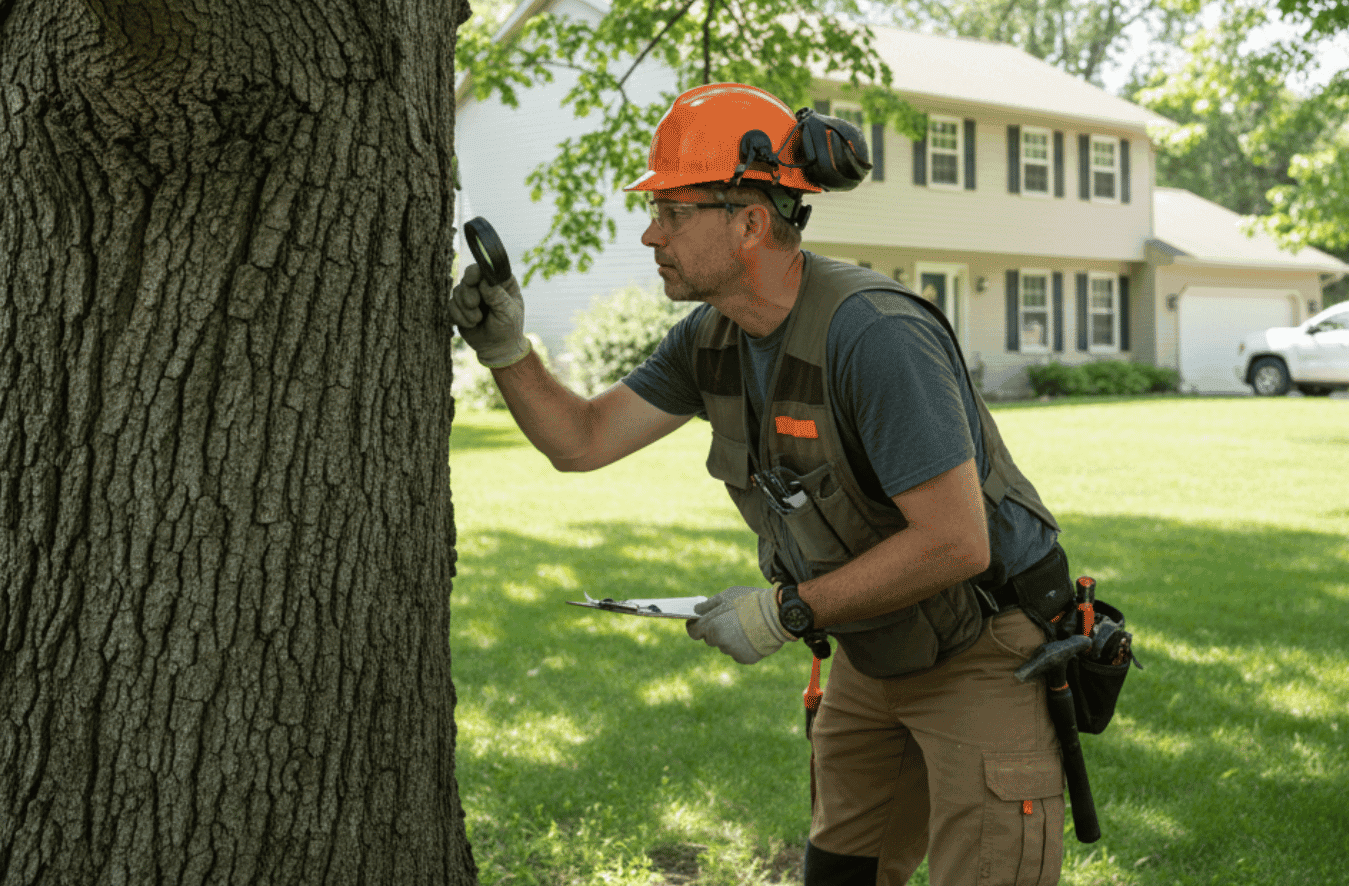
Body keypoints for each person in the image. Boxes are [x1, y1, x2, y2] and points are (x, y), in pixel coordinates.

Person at [449, 83, 1078, 886]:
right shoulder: (710, 338)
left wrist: (786, 611)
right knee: (841, 871)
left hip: (986, 645)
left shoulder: (875, 336)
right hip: (876, 645)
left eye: (673, 212)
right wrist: (507, 351)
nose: (650, 233)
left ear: (750, 222)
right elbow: (583, 440)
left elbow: (956, 542)